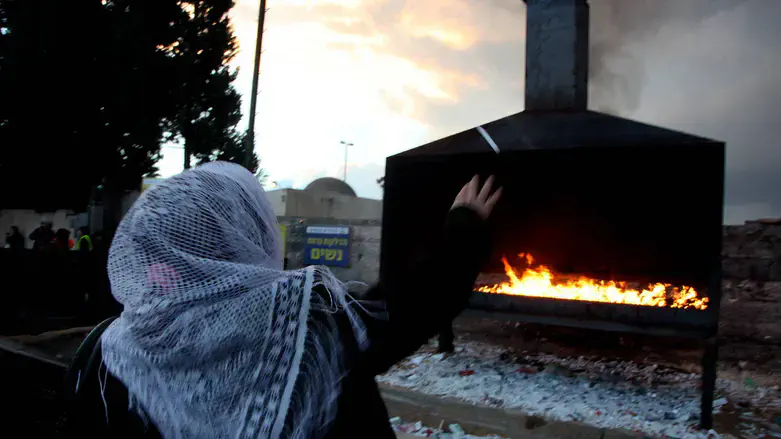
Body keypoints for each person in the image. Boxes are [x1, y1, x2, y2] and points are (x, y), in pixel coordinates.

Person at [63, 162, 501, 439]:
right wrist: (462, 232)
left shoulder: (108, 351)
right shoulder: (301, 326)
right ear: (245, 235)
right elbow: (402, 313)